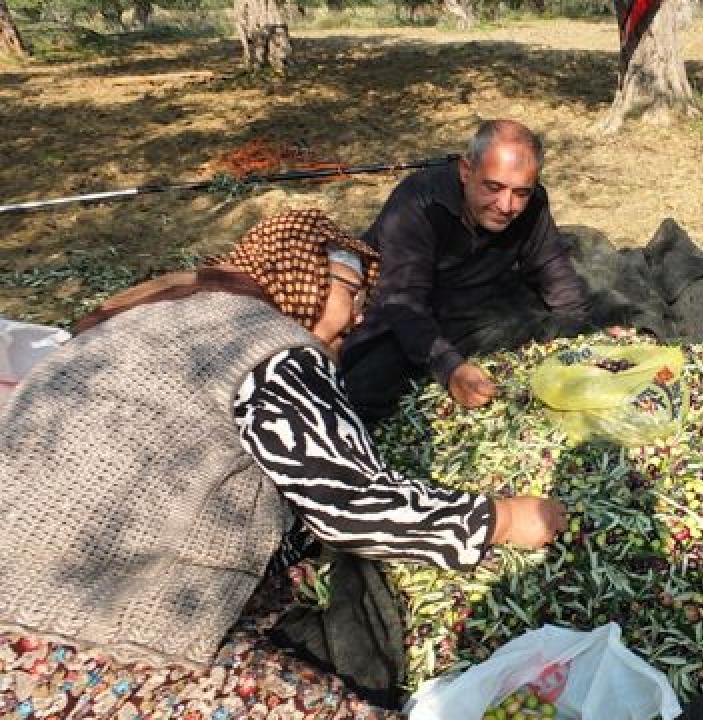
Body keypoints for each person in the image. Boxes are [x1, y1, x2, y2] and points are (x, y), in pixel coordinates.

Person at [0, 209, 567, 718]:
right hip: (87, 642)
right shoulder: (275, 349)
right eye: (352, 292)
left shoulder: (151, 314)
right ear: (304, 278)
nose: (360, 317)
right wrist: (503, 518)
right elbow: (352, 504)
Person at [341, 119, 597, 423]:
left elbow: (554, 271)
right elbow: (404, 302)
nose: (506, 205)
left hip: (474, 305)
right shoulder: (418, 203)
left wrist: (582, 344)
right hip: (406, 310)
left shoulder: (533, 203)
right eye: (493, 187)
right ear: (466, 171)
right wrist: (451, 370)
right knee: (364, 384)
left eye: (521, 193)